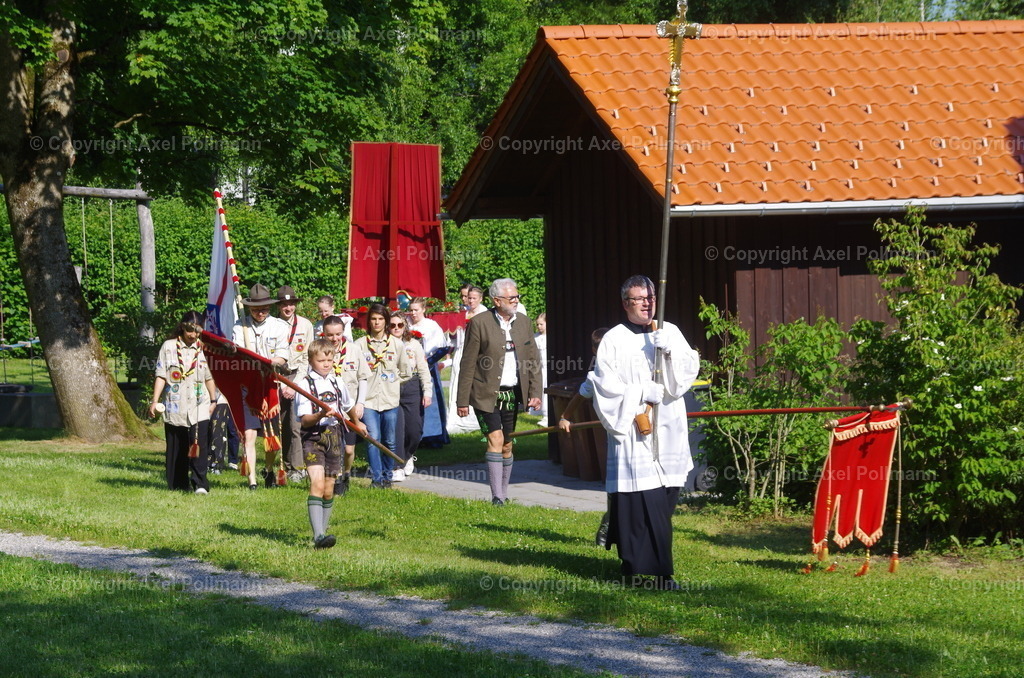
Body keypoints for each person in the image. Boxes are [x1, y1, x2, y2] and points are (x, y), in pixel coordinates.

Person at [590, 275, 700, 590]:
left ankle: (662, 572)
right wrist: (641, 391)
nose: (648, 304)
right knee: (638, 503)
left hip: (667, 430)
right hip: (634, 431)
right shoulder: (613, 339)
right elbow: (604, 387)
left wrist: (670, 353)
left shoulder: (670, 332)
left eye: (652, 298)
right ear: (627, 303)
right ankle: (637, 570)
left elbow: (683, 379)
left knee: (663, 503)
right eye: (641, 299)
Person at [456, 278, 542, 505]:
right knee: (495, 438)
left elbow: (533, 360)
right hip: (484, 393)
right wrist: (462, 400)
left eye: (516, 297)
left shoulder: (524, 322)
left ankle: (504, 491)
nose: (516, 300)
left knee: (507, 444)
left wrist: (535, 392)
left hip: (512, 393)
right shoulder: (479, 323)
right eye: (511, 297)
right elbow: (468, 362)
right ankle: (497, 496)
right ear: (496, 300)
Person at [293, 338, 367, 549]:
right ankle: (318, 536)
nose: (326, 363)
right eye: (321, 360)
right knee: (316, 484)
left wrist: (357, 422)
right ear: (311, 360)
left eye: (329, 359)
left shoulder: (337, 382)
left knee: (328, 489)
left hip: (334, 436)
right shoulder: (305, 385)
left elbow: (348, 404)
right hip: (313, 437)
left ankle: (322, 536)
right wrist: (320, 414)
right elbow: (305, 420)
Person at [149, 311, 217, 494]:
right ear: (182, 327)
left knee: (199, 445)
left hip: (199, 403)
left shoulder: (205, 348)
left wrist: (213, 400)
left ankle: (200, 484)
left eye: (196, 331)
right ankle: (178, 483)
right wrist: (154, 401)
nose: (192, 335)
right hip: (175, 404)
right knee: (177, 446)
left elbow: (210, 377)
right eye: (189, 330)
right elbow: (161, 375)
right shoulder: (169, 347)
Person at [232, 283, 291, 490]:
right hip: (248, 387)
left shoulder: (280, 327)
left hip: (270, 386)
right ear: (249, 308)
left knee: (270, 436)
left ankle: (268, 470)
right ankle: (252, 481)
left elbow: (283, 355)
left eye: (264, 308)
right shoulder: (240, 327)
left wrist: (271, 363)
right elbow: (237, 354)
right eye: (256, 309)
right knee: (249, 434)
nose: (260, 312)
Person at [558, 327, 609, 544]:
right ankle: (606, 532)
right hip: (615, 436)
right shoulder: (597, 373)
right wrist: (565, 416)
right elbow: (581, 394)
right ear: (594, 350)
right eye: (601, 348)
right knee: (618, 487)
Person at [356, 303, 411, 488]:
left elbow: (406, 371)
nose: (377, 323)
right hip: (369, 400)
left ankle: (387, 476)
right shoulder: (360, 345)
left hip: (389, 400)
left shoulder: (396, 344)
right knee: (373, 438)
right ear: (368, 321)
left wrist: (393, 383)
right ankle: (376, 478)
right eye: (373, 319)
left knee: (389, 440)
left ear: (386, 321)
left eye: (380, 319)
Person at [320, 315, 368, 496]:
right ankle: (334, 480)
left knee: (348, 450)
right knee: (332, 447)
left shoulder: (354, 350)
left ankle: (346, 473)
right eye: (330, 335)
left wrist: (360, 403)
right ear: (324, 334)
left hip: (349, 410)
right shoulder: (320, 352)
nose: (334, 339)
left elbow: (363, 377)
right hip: (329, 411)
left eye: (337, 334)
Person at [276, 285, 315, 483]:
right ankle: (284, 464)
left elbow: (308, 358)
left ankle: (298, 467)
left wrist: (294, 385)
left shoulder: (306, 325)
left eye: (291, 304)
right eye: (284, 304)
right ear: (279, 306)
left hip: (297, 377)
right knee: (279, 424)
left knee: (295, 424)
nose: (288, 308)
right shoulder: (273, 324)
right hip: (275, 377)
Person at [390, 314, 432, 480]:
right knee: (397, 428)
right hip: (391, 386)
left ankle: (408, 455)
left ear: (405, 327)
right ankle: (397, 465)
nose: (396, 328)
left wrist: (427, 392)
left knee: (414, 429)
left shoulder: (413, 344)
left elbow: (423, 368)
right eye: (392, 325)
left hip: (412, 385)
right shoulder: (385, 344)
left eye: (400, 325)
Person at [406, 298, 450, 448]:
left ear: (423, 309)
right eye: (411, 310)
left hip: (428, 367)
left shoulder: (431, 326)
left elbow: (443, 347)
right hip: (408, 369)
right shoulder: (405, 324)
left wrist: (428, 362)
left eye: (416, 310)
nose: (413, 313)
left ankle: (433, 436)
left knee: (431, 402)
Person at [529, 312, 548, 426]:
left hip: (548, 366)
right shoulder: (535, 337)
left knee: (546, 391)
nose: (539, 327)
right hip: (539, 368)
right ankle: (541, 413)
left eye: (541, 324)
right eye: (537, 324)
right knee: (539, 390)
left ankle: (547, 415)